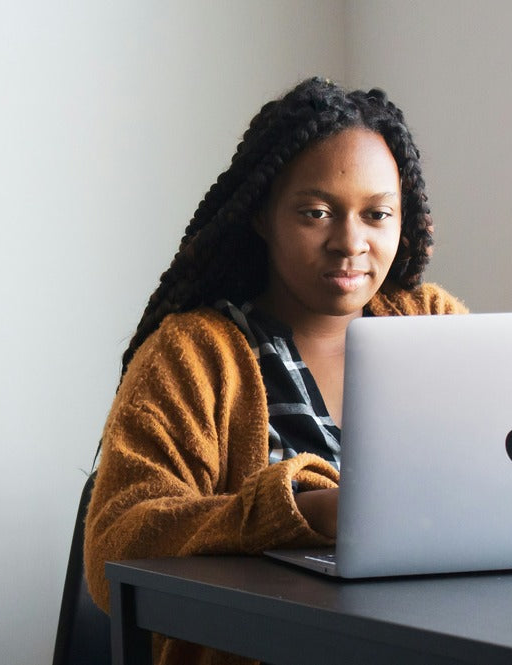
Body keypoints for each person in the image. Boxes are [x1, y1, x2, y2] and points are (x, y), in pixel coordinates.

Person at [83, 77, 467, 665]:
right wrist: (301, 512)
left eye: (377, 214)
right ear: (263, 215)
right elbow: (118, 541)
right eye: (316, 212)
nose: (350, 242)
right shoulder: (194, 354)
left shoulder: (431, 323)